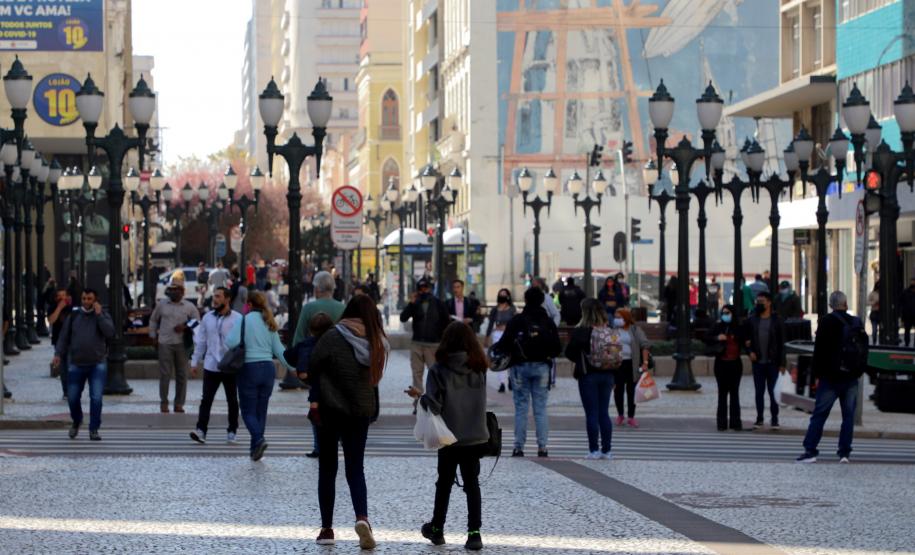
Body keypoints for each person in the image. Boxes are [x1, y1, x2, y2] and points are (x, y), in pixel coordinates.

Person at [310, 295, 389, 549]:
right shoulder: (377, 342)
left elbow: (312, 365)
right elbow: (375, 378)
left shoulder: (333, 336)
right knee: (355, 468)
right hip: (360, 411)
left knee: (327, 468)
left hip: (330, 410)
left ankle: (327, 529)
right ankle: (362, 518)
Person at [408, 322, 489, 551]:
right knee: (472, 484)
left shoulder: (439, 369)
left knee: (444, 483)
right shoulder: (479, 367)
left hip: (449, 437)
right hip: (475, 436)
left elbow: (434, 404)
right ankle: (474, 534)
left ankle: (437, 529)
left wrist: (419, 396)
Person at [797, 291, 865, 464]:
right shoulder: (856, 322)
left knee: (819, 415)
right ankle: (844, 453)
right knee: (848, 417)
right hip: (850, 377)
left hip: (830, 378)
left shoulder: (826, 321)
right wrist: (858, 371)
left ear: (830, 305)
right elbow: (864, 349)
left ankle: (810, 450)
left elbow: (819, 351)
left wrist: (816, 375)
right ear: (846, 304)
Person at [226, 291, 294, 461]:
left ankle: (258, 439)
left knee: (248, 411)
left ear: (249, 304)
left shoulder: (244, 320)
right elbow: (279, 350)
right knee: (260, 411)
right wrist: (293, 367)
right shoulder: (268, 321)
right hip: (268, 370)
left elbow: (230, 342)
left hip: (249, 369)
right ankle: (255, 450)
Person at [494, 287, 561, 458]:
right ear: (542, 301)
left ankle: (518, 447)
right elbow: (557, 348)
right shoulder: (547, 322)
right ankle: (542, 447)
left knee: (521, 408)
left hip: (519, 367)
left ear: (525, 300)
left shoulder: (517, 320)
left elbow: (504, 343)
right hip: (542, 367)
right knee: (540, 408)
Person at [52, 289, 115, 441]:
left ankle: (94, 429)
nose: (86, 301)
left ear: (95, 300)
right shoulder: (74, 316)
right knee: (72, 397)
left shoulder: (102, 315)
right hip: (76, 363)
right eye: (84, 298)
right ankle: (77, 420)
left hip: (97, 363)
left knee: (96, 398)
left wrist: (99, 315)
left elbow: (110, 332)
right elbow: (63, 337)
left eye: (89, 299)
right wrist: (58, 354)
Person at [189, 287, 243, 445]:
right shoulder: (207, 318)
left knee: (232, 400)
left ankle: (232, 431)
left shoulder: (238, 318)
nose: (215, 299)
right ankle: (201, 430)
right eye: (214, 296)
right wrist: (194, 362)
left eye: (218, 296)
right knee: (206, 400)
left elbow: (243, 343)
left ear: (227, 299)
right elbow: (201, 341)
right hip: (211, 365)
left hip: (230, 366)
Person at [564, 298, 615, 459]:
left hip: (588, 375)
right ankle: (607, 450)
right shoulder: (608, 330)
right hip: (608, 374)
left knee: (592, 413)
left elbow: (569, 353)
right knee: (604, 413)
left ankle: (594, 450)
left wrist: (582, 358)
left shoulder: (581, 331)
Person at [149, 280, 200, 413]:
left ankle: (179, 404)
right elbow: (153, 319)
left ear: (182, 291)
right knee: (165, 374)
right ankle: (164, 403)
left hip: (182, 344)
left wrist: (185, 326)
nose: (173, 292)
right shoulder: (162, 304)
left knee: (182, 375)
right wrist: (153, 336)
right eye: (171, 289)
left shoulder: (189, 306)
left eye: (176, 289)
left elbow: (197, 322)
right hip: (164, 343)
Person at [400, 278, 449, 410]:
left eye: (425, 288)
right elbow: (403, 318)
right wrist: (411, 303)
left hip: (433, 345)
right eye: (421, 289)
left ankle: (435, 401)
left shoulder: (438, 303)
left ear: (430, 288)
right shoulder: (415, 303)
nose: (423, 291)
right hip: (416, 343)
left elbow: (446, 322)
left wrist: (441, 340)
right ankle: (418, 404)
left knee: (434, 374)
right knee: (417, 374)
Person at [743, 291, 786, 429]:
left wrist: (782, 363)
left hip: (773, 362)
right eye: (758, 301)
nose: (759, 304)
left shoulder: (777, 320)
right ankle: (759, 418)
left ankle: (774, 419)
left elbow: (782, 343)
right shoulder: (752, 320)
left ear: (769, 303)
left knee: (773, 392)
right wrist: (749, 352)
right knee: (759, 392)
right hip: (758, 363)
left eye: (762, 301)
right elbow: (745, 339)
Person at [296, 312, 336, 459]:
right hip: (334, 389)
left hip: (317, 392)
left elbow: (296, 362)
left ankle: (318, 447)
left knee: (316, 418)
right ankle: (325, 445)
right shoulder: (336, 343)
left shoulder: (309, 344)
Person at [706, 305, 743, 431]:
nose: (725, 315)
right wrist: (717, 337)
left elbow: (744, 339)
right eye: (723, 313)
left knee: (734, 393)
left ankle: (735, 422)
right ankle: (721, 423)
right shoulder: (718, 326)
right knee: (722, 394)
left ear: (733, 314)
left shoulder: (738, 327)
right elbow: (706, 337)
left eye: (727, 313)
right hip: (721, 363)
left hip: (735, 363)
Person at [612, 308, 650, 428]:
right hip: (618, 364)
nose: (617, 320)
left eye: (619, 317)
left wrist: (645, 363)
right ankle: (620, 415)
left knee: (631, 391)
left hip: (632, 364)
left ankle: (631, 417)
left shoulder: (635, 330)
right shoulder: (614, 330)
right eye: (616, 317)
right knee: (618, 390)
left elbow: (645, 345)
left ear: (626, 318)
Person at [292, 271, 346, 347]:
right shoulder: (343, 308)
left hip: (312, 352)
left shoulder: (308, 308)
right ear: (333, 289)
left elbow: (298, 338)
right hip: (337, 351)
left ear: (317, 289)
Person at [485, 288, 516, 393]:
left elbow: (515, 322)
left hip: (509, 335)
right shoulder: (495, 309)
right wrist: (487, 336)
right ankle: (502, 383)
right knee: (498, 358)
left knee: (509, 357)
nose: (502, 296)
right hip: (497, 335)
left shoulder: (512, 309)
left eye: (504, 294)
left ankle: (510, 379)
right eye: (500, 294)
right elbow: (490, 323)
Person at [47, 287, 72, 399]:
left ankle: (72, 390)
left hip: (71, 341)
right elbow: (51, 320)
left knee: (70, 366)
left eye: (64, 295)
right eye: (59, 296)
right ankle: (66, 391)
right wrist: (59, 308)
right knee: (63, 367)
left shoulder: (72, 308)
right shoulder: (52, 307)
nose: (62, 298)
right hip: (58, 341)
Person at [902, 279, 915, 347]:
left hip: (912, 314)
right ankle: (907, 343)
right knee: (907, 330)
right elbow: (902, 303)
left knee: (907, 330)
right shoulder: (906, 292)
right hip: (907, 315)